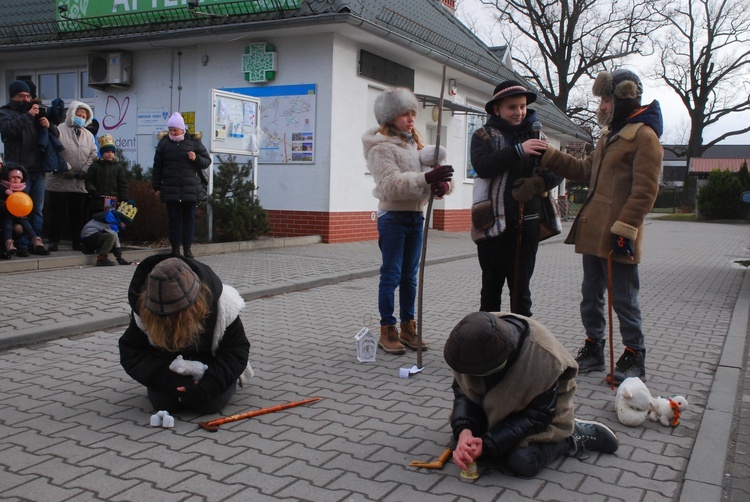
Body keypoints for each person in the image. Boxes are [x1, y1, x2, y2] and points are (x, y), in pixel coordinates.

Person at [541, 69, 663, 385]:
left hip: (619, 236)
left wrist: (624, 229)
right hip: (593, 232)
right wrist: (551, 154)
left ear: (624, 97)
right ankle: (594, 348)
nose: (603, 107)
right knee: (590, 295)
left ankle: (635, 355)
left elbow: (645, 192)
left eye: (607, 100)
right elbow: (584, 169)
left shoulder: (644, 137)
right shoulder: (609, 136)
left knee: (623, 299)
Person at [445, 311, 619, 478]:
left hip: (541, 414)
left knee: (523, 461)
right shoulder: (468, 347)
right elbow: (464, 394)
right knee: (462, 447)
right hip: (496, 409)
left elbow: (538, 416)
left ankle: (570, 438)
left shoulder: (543, 360)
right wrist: (464, 432)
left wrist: (489, 444)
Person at [362, 87, 454, 355]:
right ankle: (387, 329)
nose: (411, 119)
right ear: (389, 118)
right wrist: (425, 180)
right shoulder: (381, 149)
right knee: (391, 275)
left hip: (416, 216)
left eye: (412, 113)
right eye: (404, 114)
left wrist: (442, 185)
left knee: (410, 278)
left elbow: (432, 174)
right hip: (393, 218)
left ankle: (408, 327)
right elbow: (390, 185)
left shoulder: (416, 146)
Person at [469, 80, 563, 317]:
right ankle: (489, 343)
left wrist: (537, 184)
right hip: (491, 226)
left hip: (527, 223)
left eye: (522, 106)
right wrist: (518, 150)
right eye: (512, 107)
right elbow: (482, 166)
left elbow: (558, 170)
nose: (519, 112)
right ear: (497, 109)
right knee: (490, 291)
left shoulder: (538, 134)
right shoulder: (482, 136)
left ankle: (520, 342)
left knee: (521, 292)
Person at [119, 255, 254, 414]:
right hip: (170, 369)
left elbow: (236, 352)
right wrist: (168, 381)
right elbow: (132, 354)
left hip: (212, 367)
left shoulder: (224, 305)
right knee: (164, 403)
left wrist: (209, 385)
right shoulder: (145, 312)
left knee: (209, 405)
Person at [0, 79, 59, 256]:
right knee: (19, 209)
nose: (26, 99)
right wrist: (28, 116)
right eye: (21, 96)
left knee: (37, 209)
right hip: (18, 172)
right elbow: (8, 130)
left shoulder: (35, 113)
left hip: (38, 168)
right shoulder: (5, 113)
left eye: (28, 96)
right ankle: (22, 244)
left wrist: (49, 126)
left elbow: (54, 135)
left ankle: (37, 242)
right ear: (13, 97)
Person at [152, 112, 211, 259]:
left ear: (182, 129)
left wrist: (195, 158)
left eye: (175, 130)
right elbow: (157, 167)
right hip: (171, 188)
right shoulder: (164, 144)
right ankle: (175, 249)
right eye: (170, 130)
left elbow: (206, 161)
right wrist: (157, 186)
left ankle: (188, 249)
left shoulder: (193, 142)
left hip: (189, 189)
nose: (172, 133)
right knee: (174, 220)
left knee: (189, 220)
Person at [47, 100, 98, 251]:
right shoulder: (59, 130)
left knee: (77, 216)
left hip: (79, 181)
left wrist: (85, 170)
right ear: (71, 113)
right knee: (57, 214)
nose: (81, 117)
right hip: (59, 181)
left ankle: (77, 242)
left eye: (84, 115)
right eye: (79, 114)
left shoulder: (88, 135)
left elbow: (93, 154)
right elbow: (54, 151)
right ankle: (53, 242)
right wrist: (66, 168)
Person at [1, 162, 50, 257]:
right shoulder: (3, 188)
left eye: (18, 177)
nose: (16, 179)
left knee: (27, 225)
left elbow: (26, 203)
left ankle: (36, 240)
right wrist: (6, 204)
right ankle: (9, 244)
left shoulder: (22, 190)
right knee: (7, 225)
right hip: (6, 214)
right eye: (13, 177)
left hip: (19, 214)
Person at [80, 200, 137, 266]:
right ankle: (102, 258)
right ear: (121, 219)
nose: (125, 225)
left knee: (108, 237)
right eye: (125, 223)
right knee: (110, 237)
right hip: (88, 237)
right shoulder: (111, 222)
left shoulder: (112, 218)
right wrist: (119, 258)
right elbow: (115, 239)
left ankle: (89, 249)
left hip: (88, 236)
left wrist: (119, 257)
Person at [85, 134, 129, 217]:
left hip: (113, 202)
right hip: (97, 202)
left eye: (112, 152)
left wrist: (124, 198)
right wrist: (93, 191)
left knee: (111, 224)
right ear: (102, 153)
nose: (110, 154)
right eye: (107, 151)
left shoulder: (118, 167)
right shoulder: (95, 166)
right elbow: (88, 180)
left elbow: (123, 184)